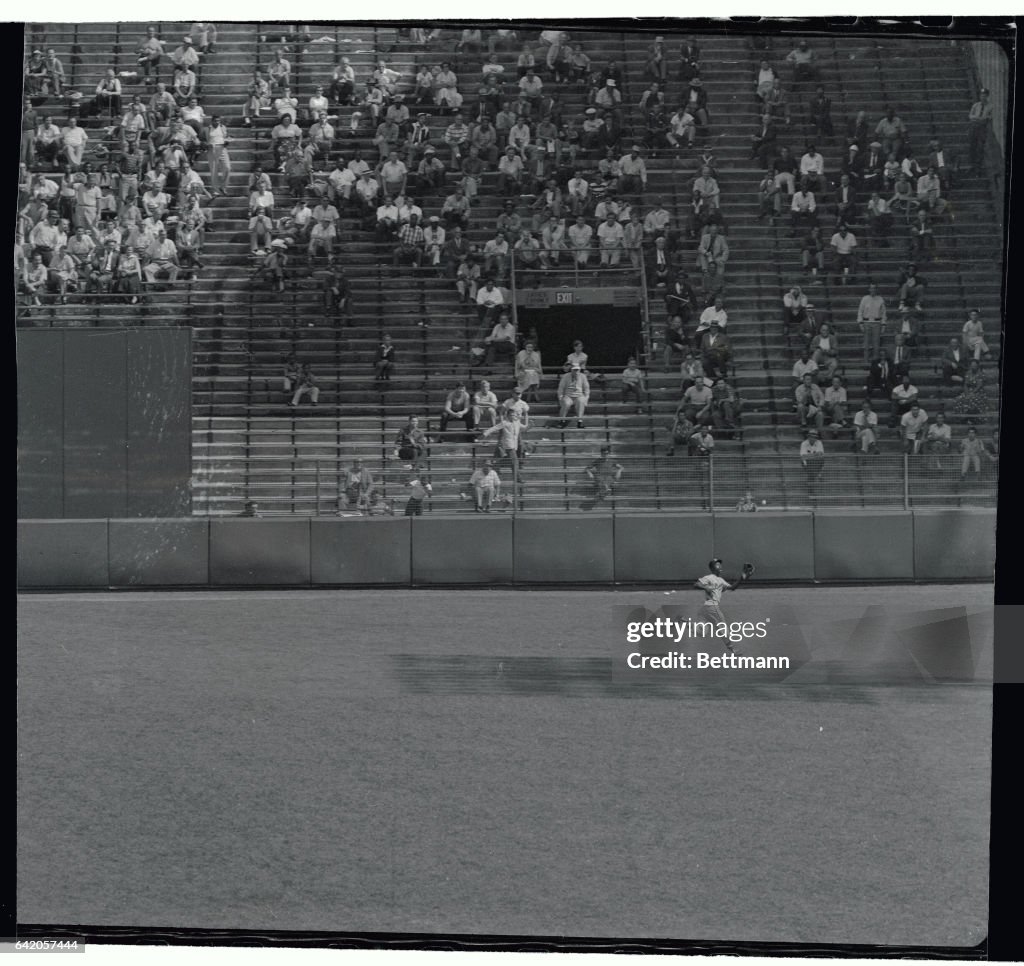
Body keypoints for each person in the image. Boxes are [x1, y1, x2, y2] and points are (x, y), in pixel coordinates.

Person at [694, 558, 752, 643]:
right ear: (712, 568)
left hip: (706, 608)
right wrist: (705, 587)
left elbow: (732, 588)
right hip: (712, 606)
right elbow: (696, 584)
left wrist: (742, 577)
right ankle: (734, 650)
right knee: (724, 629)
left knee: (701, 632)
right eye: (717, 564)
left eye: (720, 564)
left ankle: (684, 621)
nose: (720, 565)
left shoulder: (721, 580)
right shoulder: (709, 577)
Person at [857, 282, 887, 363]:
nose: (873, 290)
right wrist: (860, 323)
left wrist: (883, 324)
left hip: (877, 323)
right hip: (866, 322)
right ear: (869, 289)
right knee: (866, 345)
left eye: (874, 288)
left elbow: (883, 313)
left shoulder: (880, 299)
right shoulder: (864, 299)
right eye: (871, 288)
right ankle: (866, 362)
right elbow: (860, 311)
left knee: (876, 345)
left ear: (876, 289)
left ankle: (875, 362)